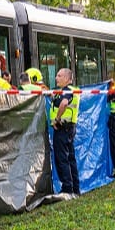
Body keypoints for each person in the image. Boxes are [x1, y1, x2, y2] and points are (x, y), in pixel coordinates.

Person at [50, 67, 80, 195]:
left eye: (59, 76)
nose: (56, 78)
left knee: (62, 159)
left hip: (62, 128)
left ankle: (67, 188)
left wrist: (57, 119)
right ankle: (75, 188)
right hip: (70, 127)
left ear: (67, 79)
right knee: (71, 158)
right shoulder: (72, 90)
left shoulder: (67, 91)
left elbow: (63, 104)